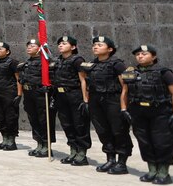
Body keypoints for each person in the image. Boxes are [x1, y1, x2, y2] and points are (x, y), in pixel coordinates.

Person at [121, 45, 173, 185]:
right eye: (138, 54)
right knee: (144, 141)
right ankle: (152, 170)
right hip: (138, 112)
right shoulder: (131, 72)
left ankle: (163, 172)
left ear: (154, 56)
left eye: (144, 54)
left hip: (160, 112)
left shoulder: (164, 72)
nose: (140, 56)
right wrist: (123, 109)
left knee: (161, 141)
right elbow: (125, 91)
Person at [82, 36, 131, 174]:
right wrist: (87, 100)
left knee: (118, 130)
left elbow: (125, 87)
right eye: (94, 45)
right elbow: (87, 83)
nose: (95, 47)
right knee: (102, 130)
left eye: (99, 45)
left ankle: (122, 162)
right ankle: (110, 159)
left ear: (110, 49)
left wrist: (124, 106)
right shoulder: (92, 64)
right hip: (96, 101)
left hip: (113, 100)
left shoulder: (117, 64)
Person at [52, 36, 92, 165]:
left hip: (74, 95)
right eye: (59, 44)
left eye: (64, 43)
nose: (60, 46)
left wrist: (85, 99)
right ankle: (73, 150)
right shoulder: (57, 61)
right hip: (61, 96)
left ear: (73, 47)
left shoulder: (77, 60)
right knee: (67, 124)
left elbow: (83, 80)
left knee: (79, 124)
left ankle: (82, 153)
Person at [18, 39, 57, 157]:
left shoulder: (46, 62)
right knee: (33, 118)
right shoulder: (25, 63)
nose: (29, 47)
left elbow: (53, 78)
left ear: (40, 48)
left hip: (41, 94)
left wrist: (49, 88)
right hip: (29, 93)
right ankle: (39, 142)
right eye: (28, 46)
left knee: (44, 119)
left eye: (33, 46)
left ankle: (46, 144)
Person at [0, 42, 22, 150]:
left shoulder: (13, 62)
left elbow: (18, 79)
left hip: (9, 93)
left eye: (1, 49)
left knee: (10, 117)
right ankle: (5, 138)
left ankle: (11, 140)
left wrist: (19, 94)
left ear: (7, 51)